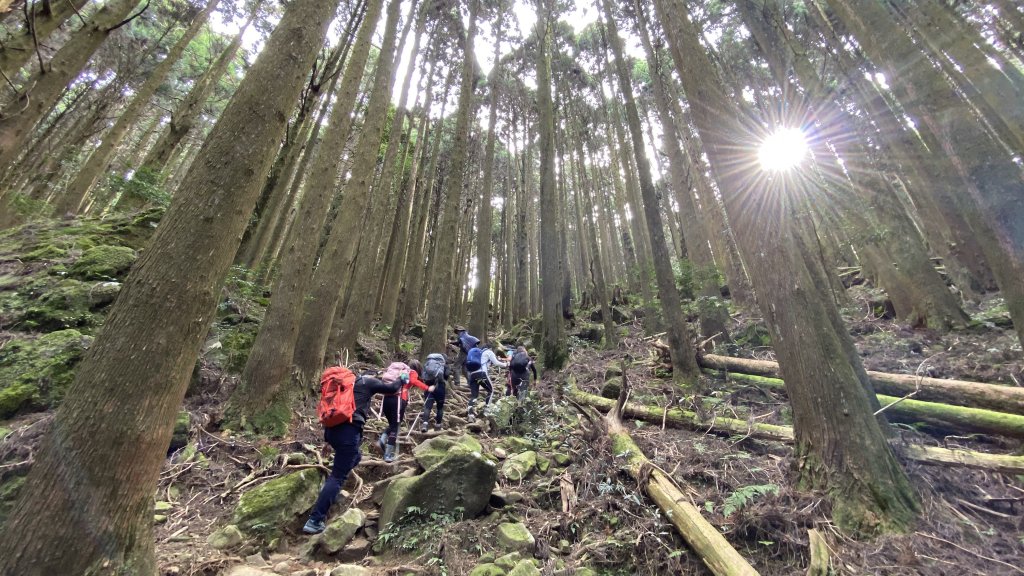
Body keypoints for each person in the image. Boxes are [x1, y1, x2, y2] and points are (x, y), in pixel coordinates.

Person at [303, 373, 401, 535]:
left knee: (356, 457)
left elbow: (334, 411)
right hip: (348, 432)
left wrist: (328, 441)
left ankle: (330, 492)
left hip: (331, 431)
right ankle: (315, 520)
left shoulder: (343, 387)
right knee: (337, 476)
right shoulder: (368, 382)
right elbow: (392, 388)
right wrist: (403, 378)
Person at [378, 360, 433, 462]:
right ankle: (387, 455)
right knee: (396, 426)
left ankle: (382, 439)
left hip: (386, 398)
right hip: (398, 400)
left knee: (393, 424)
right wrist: (427, 388)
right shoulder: (411, 372)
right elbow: (413, 381)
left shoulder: (399, 372)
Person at [465, 342, 507, 423]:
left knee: (474, 395)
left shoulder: (479, 354)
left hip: (472, 375)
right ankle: (486, 411)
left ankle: (470, 415)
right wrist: (506, 364)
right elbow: (497, 363)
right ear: (490, 348)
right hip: (481, 374)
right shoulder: (489, 352)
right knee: (491, 391)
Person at [419, 353, 451, 432]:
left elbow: (423, 375)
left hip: (429, 387)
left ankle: (425, 425)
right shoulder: (444, 365)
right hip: (440, 387)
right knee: (440, 407)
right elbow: (446, 375)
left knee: (427, 407)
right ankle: (438, 426)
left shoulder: (428, 363)